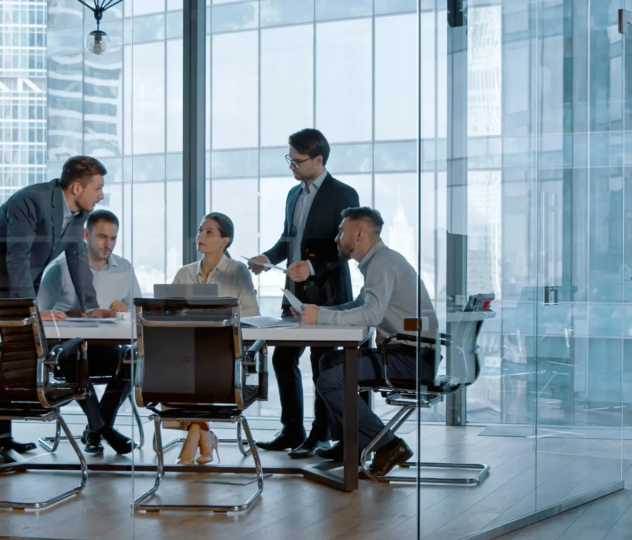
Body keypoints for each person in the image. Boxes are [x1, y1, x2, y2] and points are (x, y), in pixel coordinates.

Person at [0, 155, 114, 464]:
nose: (102, 195)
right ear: (77, 187)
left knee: (9, 348)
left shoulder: (78, 213)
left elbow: (76, 260)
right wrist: (31, 311)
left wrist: (91, 307)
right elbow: (17, 257)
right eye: (98, 187)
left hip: (10, 278)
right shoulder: (32, 201)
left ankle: (0, 438)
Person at [299, 207, 439, 478]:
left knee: (330, 380)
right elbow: (360, 305)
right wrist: (317, 312)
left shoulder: (382, 262)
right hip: (406, 353)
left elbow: (371, 314)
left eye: (342, 231)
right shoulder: (380, 262)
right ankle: (353, 443)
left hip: (412, 359)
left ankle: (389, 444)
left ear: (360, 232)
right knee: (330, 360)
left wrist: (322, 316)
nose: (337, 238)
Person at [249, 128, 359, 457]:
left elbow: (346, 247)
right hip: (294, 292)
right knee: (283, 357)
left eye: (296, 160)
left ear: (319, 160)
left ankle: (320, 435)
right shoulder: (293, 195)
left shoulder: (343, 194)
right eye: (290, 159)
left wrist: (311, 267)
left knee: (321, 361)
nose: (291, 166)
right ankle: (292, 429)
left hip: (327, 292)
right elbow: (288, 239)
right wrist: (268, 258)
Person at [37, 209, 140, 455]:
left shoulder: (124, 268)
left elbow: (138, 312)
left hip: (105, 348)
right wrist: (72, 314)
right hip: (67, 350)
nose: (108, 244)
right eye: (102, 237)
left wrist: (122, 310)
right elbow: (39, 313)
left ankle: (97, 428)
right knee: (75, 356)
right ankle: (103, 430)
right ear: (86, 234)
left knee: (133, 358)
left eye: (113, 238)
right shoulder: (60, 268)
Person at [171, 212, 260, 465]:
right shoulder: (184, 273)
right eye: (200, 230)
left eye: (209, 232)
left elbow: (252, 314)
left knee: (195, 368)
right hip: (188, 351)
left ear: (225, 241)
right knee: (178, 366)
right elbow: (169, 315)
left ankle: (195, 436)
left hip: (223, 354)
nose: (200, 236)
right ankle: (202, 434)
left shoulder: (238, 272)